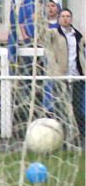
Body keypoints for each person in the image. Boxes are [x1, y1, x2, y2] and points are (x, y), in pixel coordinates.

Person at [38, 8, 86, 146]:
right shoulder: (54, 34)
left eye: (68, 16)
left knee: (77, 108)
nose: (65, 18)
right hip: (60, 75)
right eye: (63, 16)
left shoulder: (77, 35)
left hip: (77, 75)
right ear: (59, 19)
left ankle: (81, 137)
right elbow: (43, 35)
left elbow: (80, 53)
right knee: (60, 108)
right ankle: (62, 138)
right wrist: (41, 20)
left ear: (71, 18)